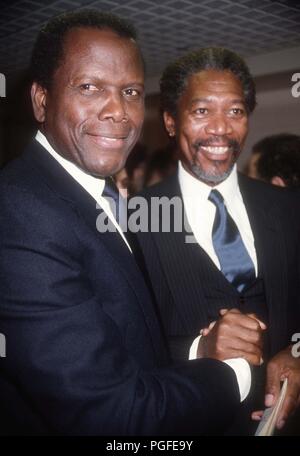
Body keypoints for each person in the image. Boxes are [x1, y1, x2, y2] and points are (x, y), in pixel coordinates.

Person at [0, 11, 249, 436]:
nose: (119, 111)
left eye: (131, 91)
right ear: (42, 100)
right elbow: (113, 415)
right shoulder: (20, 215)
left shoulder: (104, 196)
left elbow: (126, 333)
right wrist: (236, 372)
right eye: (90, 87)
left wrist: (198, 350)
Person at [138, 47, 300, 434]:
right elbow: (123, 342)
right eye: (201, 111)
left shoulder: (287, 207)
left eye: (235, 111)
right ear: (171, 122)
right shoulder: (136, 219)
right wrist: (199, 350)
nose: (221, 129)